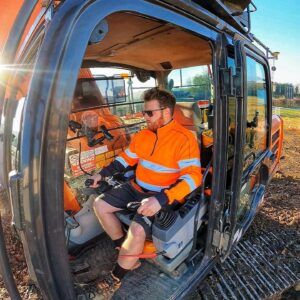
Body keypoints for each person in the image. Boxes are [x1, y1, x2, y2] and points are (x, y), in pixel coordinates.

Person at [90, 87, 202, 295]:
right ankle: (122, 248)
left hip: (162, 195)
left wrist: (161, 200)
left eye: (149, 113)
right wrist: (101, 175)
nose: (145, 117)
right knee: (100, 204)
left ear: (167, 112)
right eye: (144, 112)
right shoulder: (143, 135)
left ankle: (116, 278)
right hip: (136, 188)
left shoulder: (185, 139)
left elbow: (193, 177)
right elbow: (126, 159)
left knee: (138, 230)